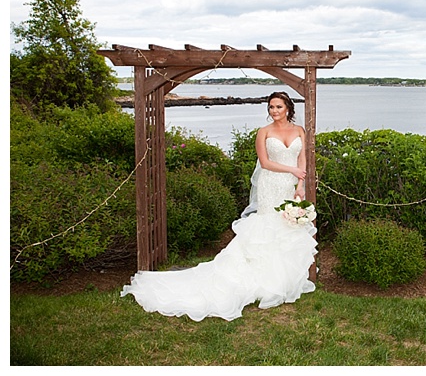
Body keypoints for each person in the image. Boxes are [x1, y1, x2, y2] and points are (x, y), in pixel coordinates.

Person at [120, 91, 317, 321]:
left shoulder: (299, 131)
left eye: (278, 107)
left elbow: (301, 158)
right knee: (266, 228)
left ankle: (281, 281)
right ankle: (260, 281)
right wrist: (291, 170)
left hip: (290, 186)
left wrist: (300, 184)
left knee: (285, 230)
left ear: (288, 108)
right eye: (271, 107)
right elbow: (265, 163)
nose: (274, 111)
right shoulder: (263, 132)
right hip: (270, 185)